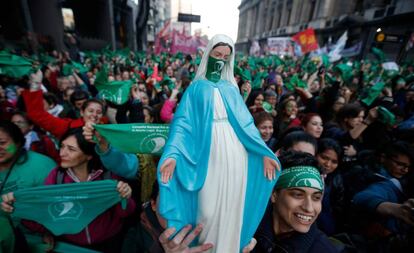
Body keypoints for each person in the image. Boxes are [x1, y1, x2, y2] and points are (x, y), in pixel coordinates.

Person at [158, 34, 280, 252]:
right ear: (208, 55)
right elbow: (182, 124)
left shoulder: (231, 89)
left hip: (236, 154)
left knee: (232, 203)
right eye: (217, 54)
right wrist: (173, 155)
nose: (221, 59)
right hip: (206, 152)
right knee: (207, 208)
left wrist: (264, 153)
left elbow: (247, 125)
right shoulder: (196, 89)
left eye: (226, 56)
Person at [1, 128, 136, 252]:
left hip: (110, 243)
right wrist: (18, 208)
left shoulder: (107, 175)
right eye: (62, 147)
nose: (62, 153)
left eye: (71, 149)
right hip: (70, 246)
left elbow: (125, 213)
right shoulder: (56, 177)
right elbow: (46, 214)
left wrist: (124, 196)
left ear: (89, 155)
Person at [253, 151, 340, 253]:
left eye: (316, 197)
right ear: (274, 194)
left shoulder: (323, 249)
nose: (309, 208)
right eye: (298, 195)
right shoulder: (244, 229)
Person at [0, 120, 56, 253]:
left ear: (18, 142)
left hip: (34, 237)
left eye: (2, 143)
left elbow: (57, 206)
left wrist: (49, 230)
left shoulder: (43, 166)